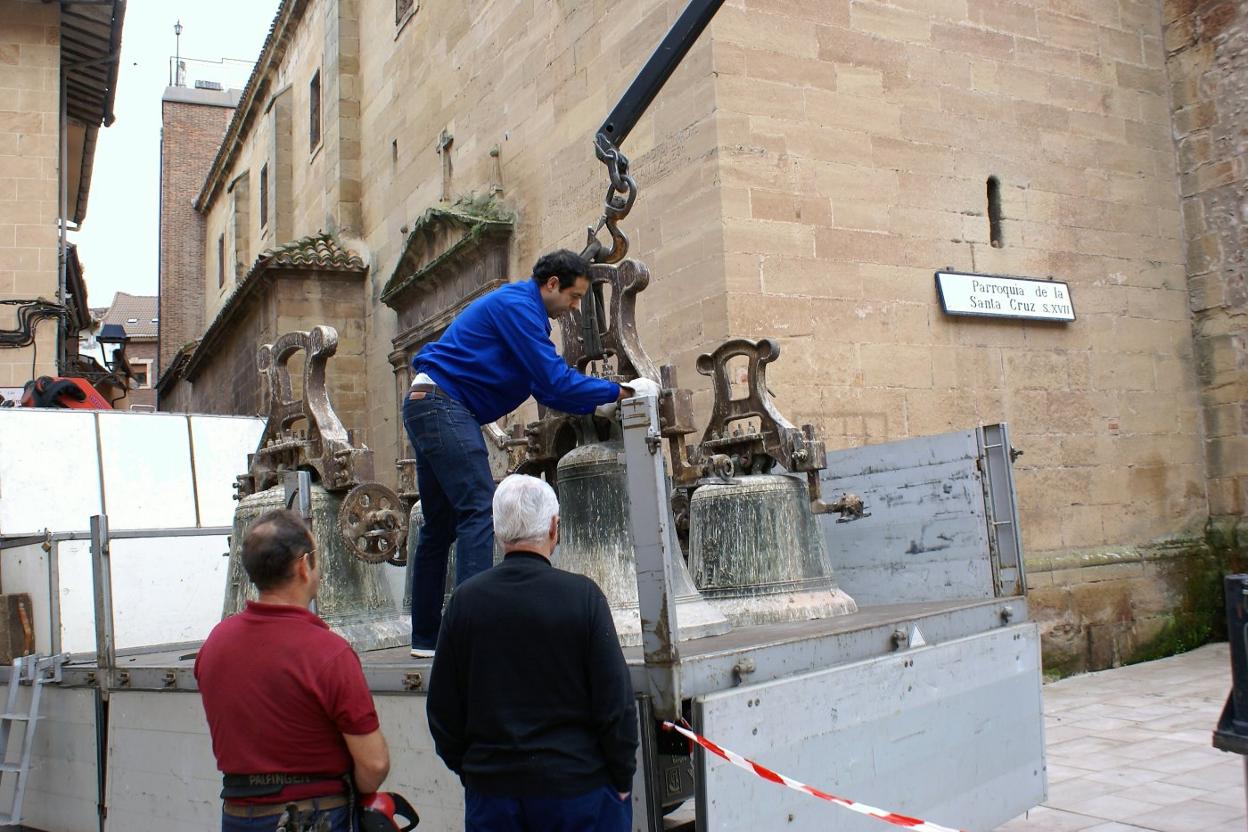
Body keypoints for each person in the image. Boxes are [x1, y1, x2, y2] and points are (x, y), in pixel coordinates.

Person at [403, 248, 658, 657]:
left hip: (425, 401)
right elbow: (554, 383)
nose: (575, 307)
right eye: (574, 297)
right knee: (476, 511)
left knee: (439, 526)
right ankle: (476, 639)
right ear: (551, 284)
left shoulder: (523, 314)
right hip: (444, 405)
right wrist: (621, 392)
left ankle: (428, 639)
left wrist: (597, 399)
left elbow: (544, 386)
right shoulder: (519, 307)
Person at [427, 474, 639, 832]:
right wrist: (622, 776)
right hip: (578, 791)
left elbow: (443, 711)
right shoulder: (583, 597)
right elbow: (615, 704)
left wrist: (475, 771)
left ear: (497, 532)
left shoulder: (465, 602)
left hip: (493, 795)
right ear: (554, 528)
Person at [195, 510, 390, 831]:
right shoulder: (328, 652)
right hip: (313, 817)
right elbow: (374, 763)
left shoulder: (215, 644)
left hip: (237, 817)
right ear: (303, 565)